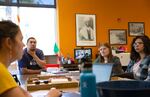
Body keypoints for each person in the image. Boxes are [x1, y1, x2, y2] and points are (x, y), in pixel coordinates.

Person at [0, 20, 61, 97]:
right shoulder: (1, 73)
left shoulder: (4, 71)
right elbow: (24, 71)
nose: (23, 44)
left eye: (34, 42)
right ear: (9, 43)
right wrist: (50, 95)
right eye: (21, 39)